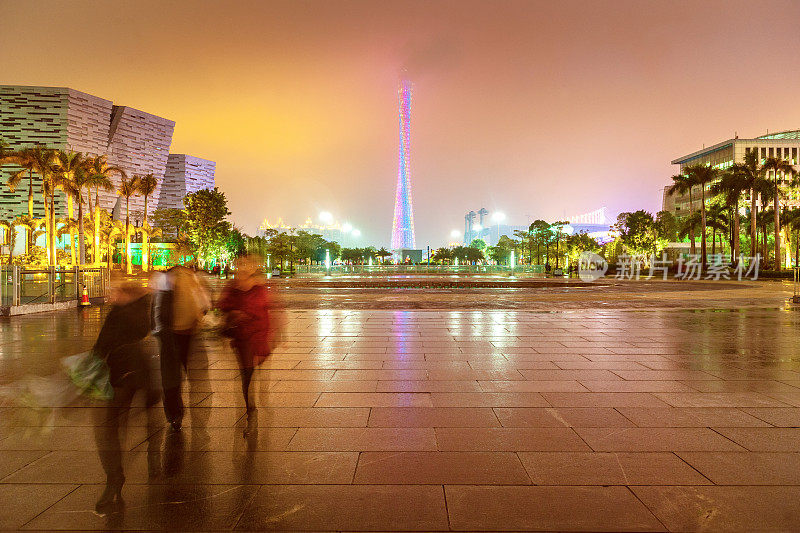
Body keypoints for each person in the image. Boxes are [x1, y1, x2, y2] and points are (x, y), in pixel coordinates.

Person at [92, 280, 156, 516]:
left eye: (115, 292)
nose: (111, 295)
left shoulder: (128, 314)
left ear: (126, 294)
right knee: (112, 428)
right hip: (121, 376)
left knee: (108, 429)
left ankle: (114, 479)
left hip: (124, 377)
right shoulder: (126, 311)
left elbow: (104, 344)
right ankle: (115, 477)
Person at [152, 265, 210, 432]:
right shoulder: (192, 279)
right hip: (189, 335)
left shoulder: (166, 282)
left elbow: (157, 312)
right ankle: (184, 415)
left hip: (172, 337)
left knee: (171, 379)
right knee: (191, 378)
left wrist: (159, 332)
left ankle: (175, 416)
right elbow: (204, 305)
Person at [218, 254, 275, 413]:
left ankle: (256, 391)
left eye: (246, 265)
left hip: (259, 334)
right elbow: (223, 305)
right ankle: (249, 403)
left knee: (257, 365)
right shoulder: (232, 287)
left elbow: (268, 309)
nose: (243, 268)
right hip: (241, 336)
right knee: (246, 371)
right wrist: (235, 313)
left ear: (252, 268)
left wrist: (275, 333)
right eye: (240, 264)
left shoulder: (260, 288)